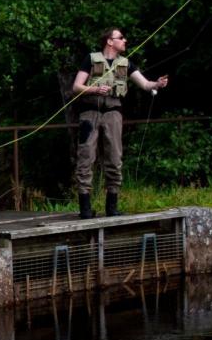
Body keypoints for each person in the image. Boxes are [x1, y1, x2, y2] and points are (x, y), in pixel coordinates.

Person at [71, 28, 169, 219]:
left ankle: (112, 207)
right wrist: (95, 89)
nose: (125, 40)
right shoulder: (90, 59)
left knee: (115, 159)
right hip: (89, 114)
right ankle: (85, 209)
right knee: (85, 158)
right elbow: (76, 87)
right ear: (109, 41)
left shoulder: (126, 64)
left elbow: (146, 84)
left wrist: (157, 84)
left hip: (113, 115)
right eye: (121, 38)